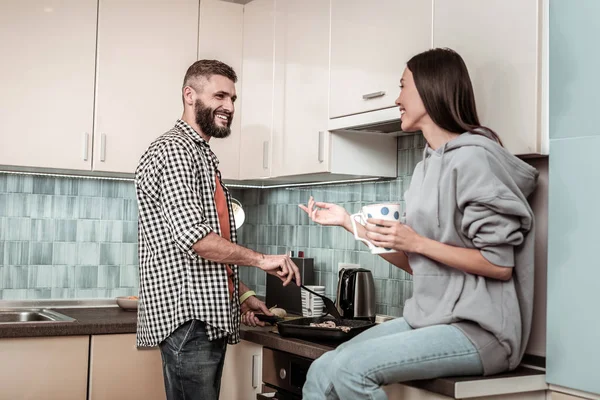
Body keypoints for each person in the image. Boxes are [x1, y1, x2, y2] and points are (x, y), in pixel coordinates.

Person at [299, 48, 539, 400]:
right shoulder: (425, 167)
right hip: (430, 319)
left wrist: (416, 242)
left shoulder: (475, 159)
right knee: (322, 371)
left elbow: (499, 265)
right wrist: (350, 224)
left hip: (482, 331)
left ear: (430, 88)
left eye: (402, 86)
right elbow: (419, 262)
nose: (396, 99)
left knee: (350, 369)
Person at [135, 59, 301, 400]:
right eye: (220, 96)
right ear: (189, 95)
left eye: (233, 99)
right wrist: (262, 260)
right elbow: (195, 238)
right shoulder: (176, 151)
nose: (229, 107)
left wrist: (242, 296)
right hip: (189, 321)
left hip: (201, 319)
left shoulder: (200, 155)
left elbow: (202, 258)